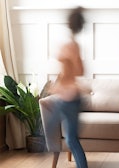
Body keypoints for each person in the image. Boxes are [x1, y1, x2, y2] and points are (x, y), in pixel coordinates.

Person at [48, 7, 88, 168]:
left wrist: (65, 70)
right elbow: (77, 70)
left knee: (68, 137)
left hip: (70, 98)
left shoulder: (70, 45)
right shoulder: (73, 44)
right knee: (68, 136)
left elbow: (74, 71)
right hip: (68, 97)